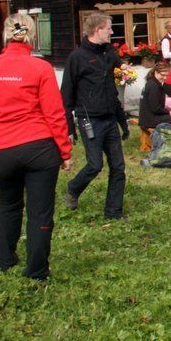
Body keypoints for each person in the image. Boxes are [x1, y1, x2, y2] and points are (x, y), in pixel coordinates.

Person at [0, 14, 72, 280]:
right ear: (32, 34)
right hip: (39, 148)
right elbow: (54, 113)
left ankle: (3, 259)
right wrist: (65, 151)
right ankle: (37, 270)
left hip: (3, 148)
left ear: (6, 33)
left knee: (6, 204)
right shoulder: (40, 68)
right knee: (39, 212)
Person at [61, 12, 131, 220]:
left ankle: (113, 213)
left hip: (110, 118)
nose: (111, 32)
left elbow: (117, 78)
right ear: (97, 30)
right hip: (89, 119)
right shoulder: (77, 58)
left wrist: (123, 122)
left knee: (118, 167)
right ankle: (73, 188)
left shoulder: (109, 52)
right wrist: (69, 128)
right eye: (108, 28)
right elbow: (66, 94)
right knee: (95, 164)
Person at [138, 60, 171, 132]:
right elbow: (156, 109)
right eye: (162, 75)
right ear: (156, 72)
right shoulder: (154, 86)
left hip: (146, 117)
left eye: (166, 75)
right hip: (149, 120)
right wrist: (169, 112)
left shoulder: (152, 82)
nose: (165, 78)